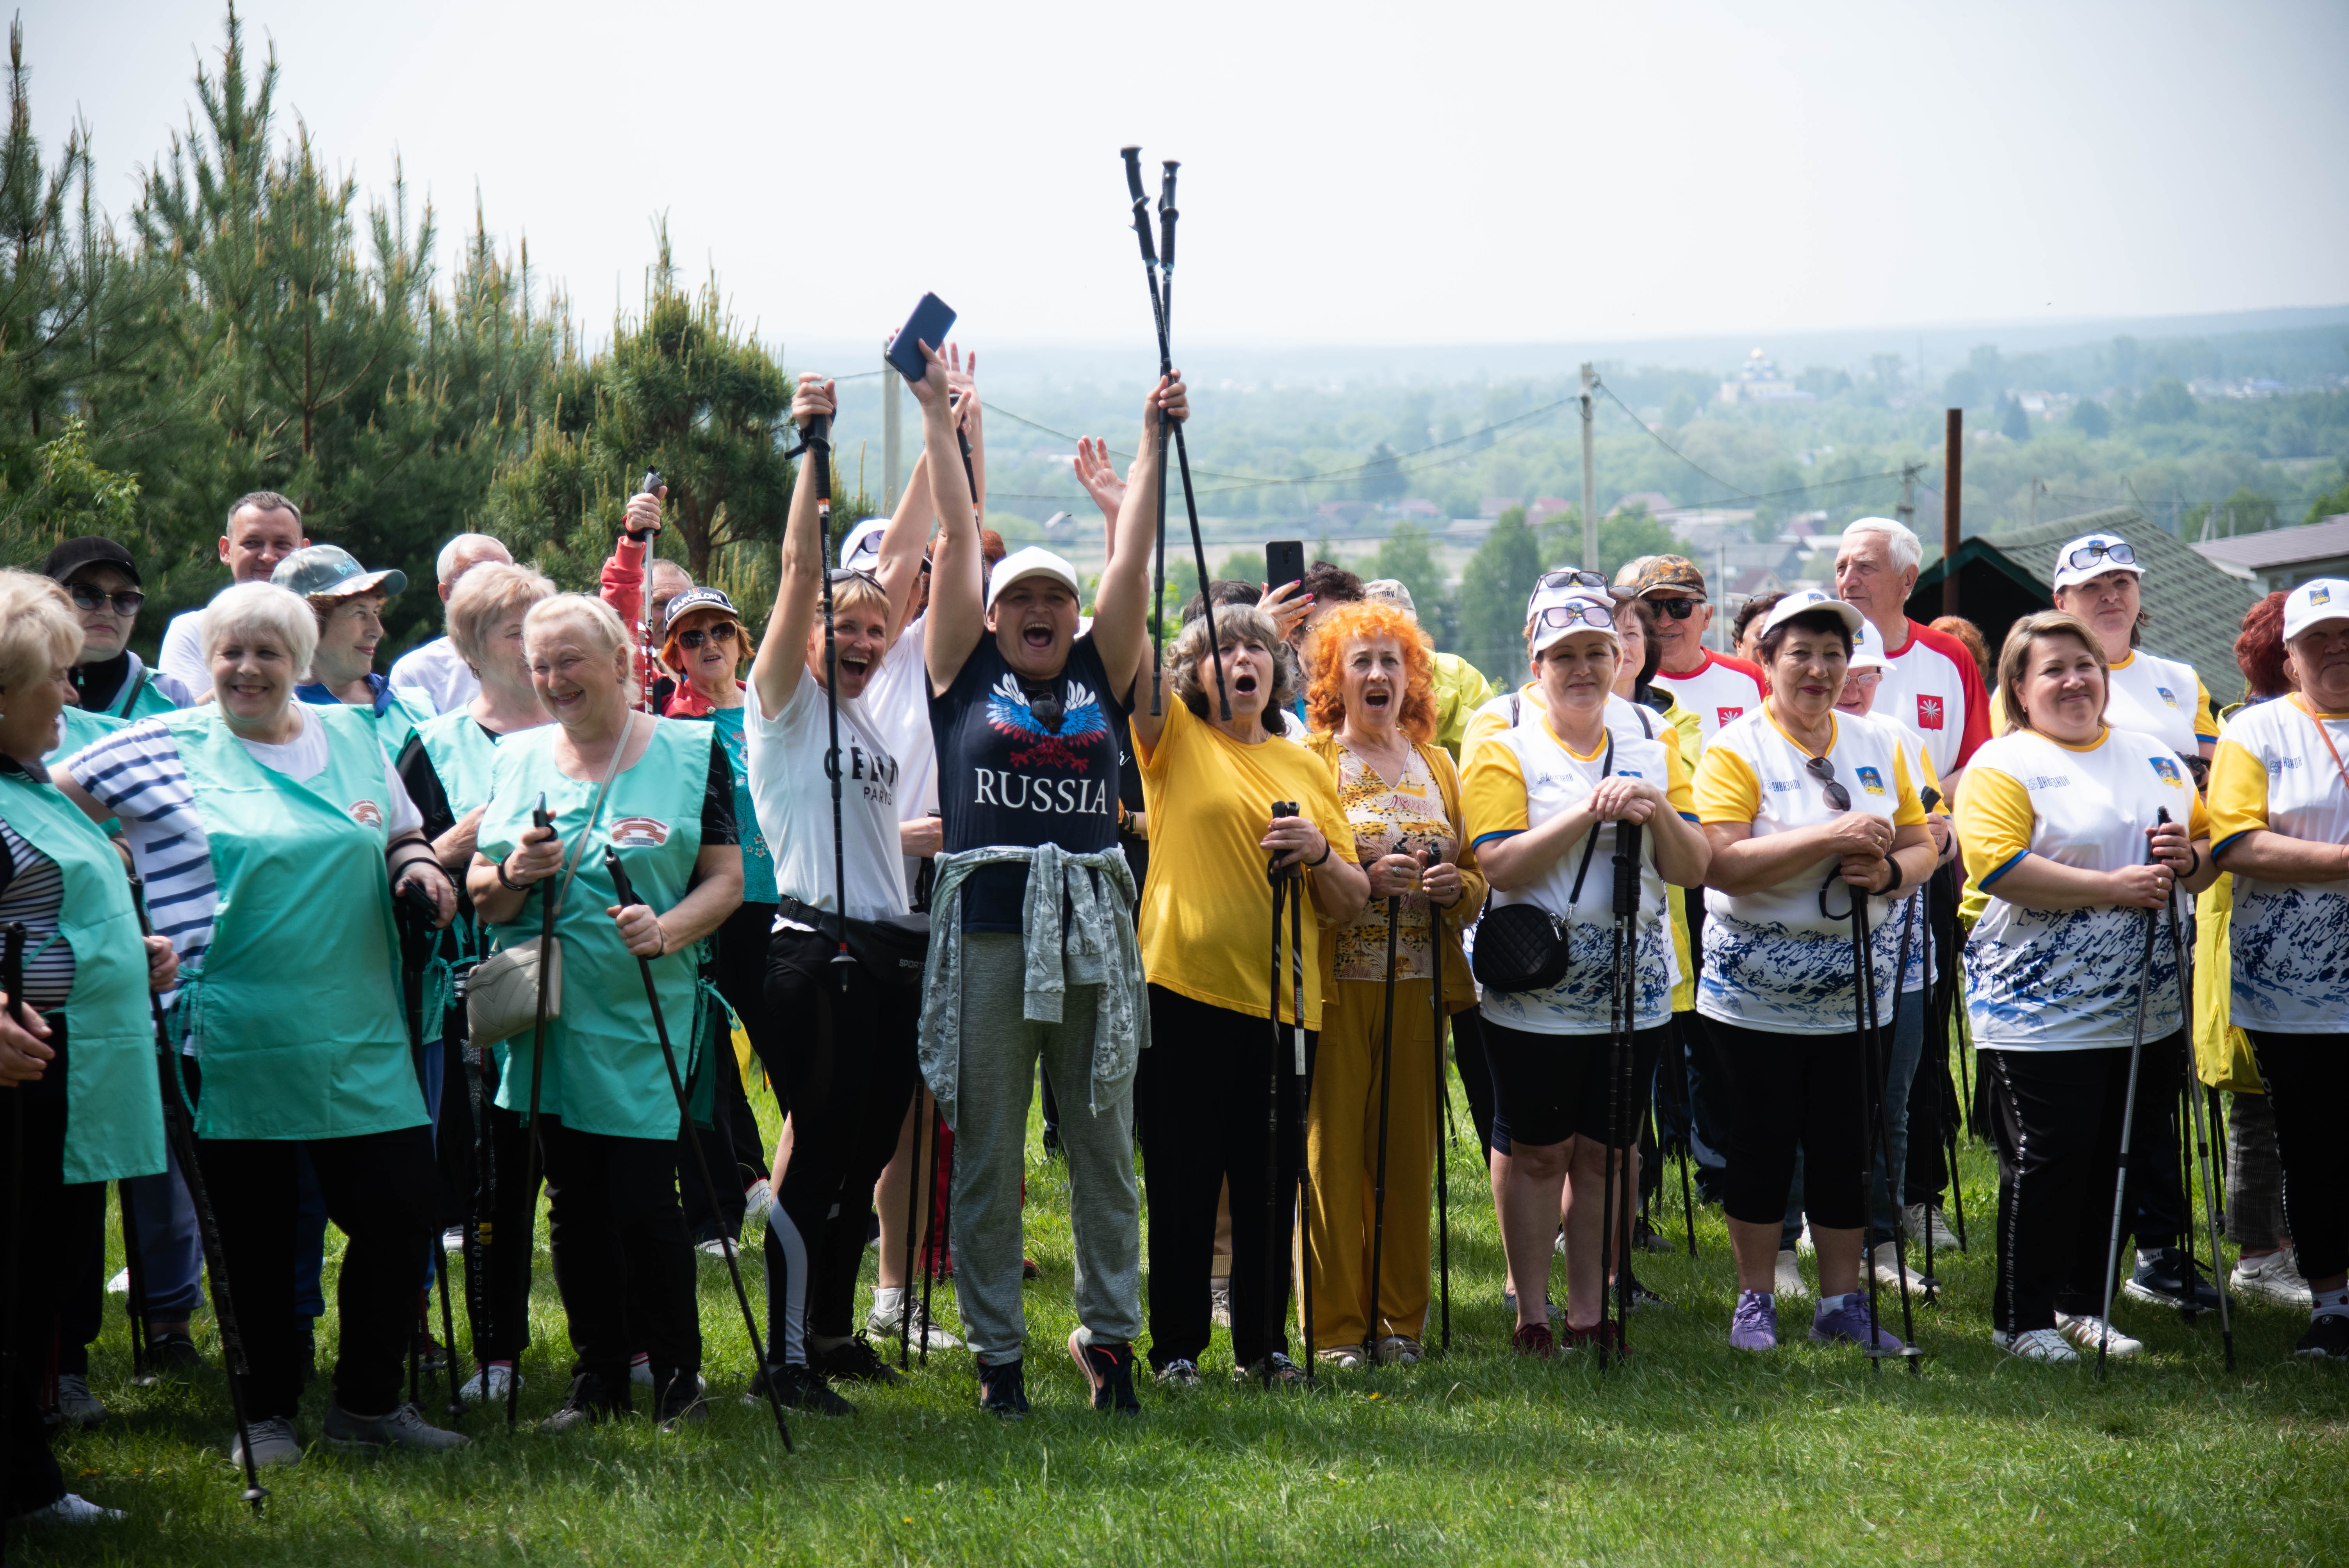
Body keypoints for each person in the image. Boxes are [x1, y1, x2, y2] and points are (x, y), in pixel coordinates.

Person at [57, 581, 465, 1463]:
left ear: (300, 659)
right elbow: (46, 819)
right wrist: (116, 907)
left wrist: (423, 866)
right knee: (257, 1238)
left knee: (402, 1214)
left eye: (268, 652)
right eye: (231, 651)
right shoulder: (155, 746)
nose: (247, 668)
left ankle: (368, 1402)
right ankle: (266, 1412)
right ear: (209, 660)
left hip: (361, 1025)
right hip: (230, 1032)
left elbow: (402, 832)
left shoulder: (356, 737)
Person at [919, 358, 1173, 1418]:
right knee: (987, 1149)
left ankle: (1108, 1345)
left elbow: (1135, 562)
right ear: (988, 612)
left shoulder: (1097, 674)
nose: (1038, 609)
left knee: (1106, 1147)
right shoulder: (960, 671)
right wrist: (940, 420)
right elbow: (950, 528)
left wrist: (1153, 441)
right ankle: (998, 1357)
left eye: (1054, 597)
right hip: (986, 928)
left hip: (1093, 936)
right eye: (1017, 595)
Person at [465, 592, 742, 1431]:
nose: (551, 679)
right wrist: (515, 870)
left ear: (621, 662)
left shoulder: (694, 753)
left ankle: (676, 1377)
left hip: (647, 1010)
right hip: (547, 1016)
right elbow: (483, 897)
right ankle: (598, 1379)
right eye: (539, 664)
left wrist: (664, 930)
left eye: (569, 661)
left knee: (641, 1197)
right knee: (573, 1203)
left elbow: (726, 880)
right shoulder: (516, 760)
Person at [741, 367, 937, 1413]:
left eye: (875, 631)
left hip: (886, 951)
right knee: (817, 1161)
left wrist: (935, 428)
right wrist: (811, 446)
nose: (862, 640)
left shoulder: (865, 713)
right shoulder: (783, 705)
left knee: (861, 1158)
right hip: (812, 951)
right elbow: (794, 569)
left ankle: (824, 1332)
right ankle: (782, 1359)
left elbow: (900, 563)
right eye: (843, 629)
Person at [1956, 609, 2216, 1361]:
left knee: (2119, 1151)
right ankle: (2021, 1317)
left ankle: (2083, 1303)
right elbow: (1997, 866)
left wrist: (2188, 859)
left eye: (2084, 666)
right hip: (2037, 1005)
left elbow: (2202, 848)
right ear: (2019, 686)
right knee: (2052, 1153)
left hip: (2145, 1004)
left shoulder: (2152, 755)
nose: (2073, 681)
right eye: (2052, 670)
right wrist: (2110, 886)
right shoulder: (2002, 764)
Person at [1691, 590, 1937, 1355]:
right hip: (1750, 998)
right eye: (1799, 652)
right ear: (1764, 660)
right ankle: (1754, 1300)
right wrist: (1828, 834)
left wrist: (1891, 874)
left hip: (1857, 995)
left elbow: (1922, 841)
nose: (1818, 669)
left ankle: (1840, 1301)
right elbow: (1722, 863)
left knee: (1843, 1147)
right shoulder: (1735, 750)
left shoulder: (1877, 741)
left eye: (1833, 654)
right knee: (1761, 1146)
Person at [1134, 594, 1369, 1388]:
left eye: (1256, 649)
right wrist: (1118, 518)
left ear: (1278, 669)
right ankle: (1173, 1350)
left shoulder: (1307, 765)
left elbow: (1348, 898)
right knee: (1181, 1178)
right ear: (1193, 674)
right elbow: (1125, 644)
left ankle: (1264, 1348)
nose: (1242, 661)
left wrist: (1316, 853)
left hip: (1284, 1005)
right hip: (1181, 994)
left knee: (1269, 1181)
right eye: (1223, 650)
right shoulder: (1172, 738)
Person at [1462, 592, 1705, 1354]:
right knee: (1536, 1150)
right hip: (1534, 984)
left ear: (1617, 659)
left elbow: (1694, 863)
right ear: (1535, 666)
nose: (1581, 669)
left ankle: (1589, 1310)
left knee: (1607, 1150)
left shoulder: (1650, 734)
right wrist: (1588, 812)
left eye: (1595, 652)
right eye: (1562, 655)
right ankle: (1530, 1314)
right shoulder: (1506, 739)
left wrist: (1653, 809)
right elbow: (1496, 858)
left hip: (1634, 986)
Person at [0, 570, 171, 1527]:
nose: (74, 693)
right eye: (56, 677)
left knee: (41, 1277)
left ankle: (26, 1469)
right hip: (14, 1065)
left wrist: (121, 948)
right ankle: (24, 1489)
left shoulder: (27, 776)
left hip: (56, 1064)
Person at [1298, 599, 1485, 1367]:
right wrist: (1364, 879)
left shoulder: (1436, 762)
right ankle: (1338, 1328)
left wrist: (1452, 891)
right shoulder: (1311, 760)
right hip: (1338, 984)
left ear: (1411, 677)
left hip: (1419, 982)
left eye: (1391, 660)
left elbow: (1475, 878)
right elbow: (1298, 876)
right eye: (1361, 660)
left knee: (1407, 1157)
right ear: (1333, 678)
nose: (1378, 673)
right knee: (1333, 1157)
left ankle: (1399, 1321)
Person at [392, 560, 559, 1406]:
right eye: (510, 629)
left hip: (584, 979)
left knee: (581, 1164)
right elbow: (403, 859)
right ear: (469, 647)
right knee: (488, 1171)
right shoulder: (436, 744)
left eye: (542, 625)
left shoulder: (590, 730)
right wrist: (476, 833)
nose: (532, 646)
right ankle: (480, 1343)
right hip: (468, 989)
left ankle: (623, 1338)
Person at [1772, 619, 1957, 1300]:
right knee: (1794, 1111)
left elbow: (1932, 840)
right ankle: (1787, 1242)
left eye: (1860, 671)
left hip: (1899, 959)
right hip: (1798, 963)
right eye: (1818, 661)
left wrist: (1910, 855)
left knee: (1889, 1106)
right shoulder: (1767, 742)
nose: (1847, 683)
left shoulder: (1898, 742)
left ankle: (1881, 1242)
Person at [2208, 578, 2349, 1358]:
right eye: (2315, 639)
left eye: (2345, 635)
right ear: (2288, 657)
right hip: (2290, 992)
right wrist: (2341, 861)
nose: (2334, 649)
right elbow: (2234, 842)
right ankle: (2330, 1302)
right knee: (2313, 1143)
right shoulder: (2256, 731)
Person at [652, 586, 775, 1252]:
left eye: (718, 632)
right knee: (706, 1068)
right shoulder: (671, 726)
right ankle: (712, 1215)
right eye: (691, 638)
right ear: (675, 654)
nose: (708, 646)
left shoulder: (771, 709)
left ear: (740, 640)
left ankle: (827, 1198)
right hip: (709, 907)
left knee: (797, 1059)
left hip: (781, 908)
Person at [2199, 592, 2310, 1309]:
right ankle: (2258, 1251)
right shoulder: (2251, 729)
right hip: (2250, 937)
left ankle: (2294, 1241)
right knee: (2257, 1101)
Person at [1832, 518, 1991, 795]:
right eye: (1841, 568)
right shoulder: (1815, 659)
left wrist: (1918, 812)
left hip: (1931, 832)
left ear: (1908, 579)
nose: (1848, 580)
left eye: (1865, 567)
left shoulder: (1951, 656)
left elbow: (1980, 765)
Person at [275, 544, 439, 758]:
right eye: (359, 613)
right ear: (305, 623)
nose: (378, 631)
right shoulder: (273, 722)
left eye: (376, 611)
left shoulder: (416, 708)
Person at [157, 492, 309, 698]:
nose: (267, 556)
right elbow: (180, 722)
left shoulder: (323, 630)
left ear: (304, 552)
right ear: (226, 550)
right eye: (252, 543)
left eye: (282, 544)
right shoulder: (193, 630)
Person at [44, 535, 193, 726]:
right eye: (87, 594)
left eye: (124, 599)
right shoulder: (13, 689)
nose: (108, 611)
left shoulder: (172, 698)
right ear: (48, 601)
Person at [1629, 556, 1767, 745]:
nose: (1664, 621)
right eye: (1653, 608)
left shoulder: (1748, 677)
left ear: (1707, 617)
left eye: (1679, 607)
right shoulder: (1628, 683)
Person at [1361, 578, 1495, 756]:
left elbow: (1493, 743)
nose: (1392, 636)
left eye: (1401, 626)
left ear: (1415, 626)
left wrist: (1439, 709)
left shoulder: (1458, 671)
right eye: (1377, 629)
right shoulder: (1353, 678)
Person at [389, 533, 515, 715]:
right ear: (447, 594)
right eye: (477, 579)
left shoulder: (541, 656)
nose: (497, 590)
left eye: (506, 577)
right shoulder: (417, 672)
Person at [602, 490, 696, 712]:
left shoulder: (719, 674)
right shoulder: (634, 666)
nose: (673, 615)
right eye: (661, 604)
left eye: (684, 604)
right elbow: (619, 604)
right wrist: (633, 540)